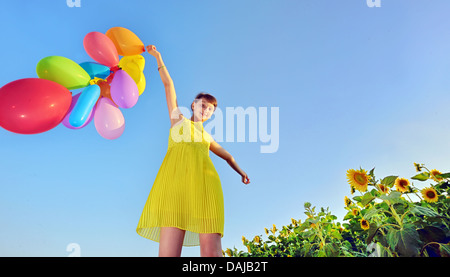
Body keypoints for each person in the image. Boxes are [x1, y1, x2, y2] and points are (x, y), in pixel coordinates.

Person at [136, 45, 250, 257]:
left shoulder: (208, 138)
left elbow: (228, 156)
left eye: (211, 108)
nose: (206, 109)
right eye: (203, 104)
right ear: (193, 104)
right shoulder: (177, 121)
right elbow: (168, 86)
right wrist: (158, 57)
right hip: (175, 187)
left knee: (212, 253)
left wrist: (241, 172)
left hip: (206, 188)